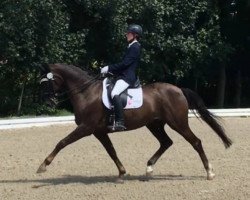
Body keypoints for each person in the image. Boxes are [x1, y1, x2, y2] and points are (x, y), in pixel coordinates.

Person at [101, 24, 142, 131]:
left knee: (115, 93)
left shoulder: (135, 47)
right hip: (123, 75)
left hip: (128, 77)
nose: (126, 35)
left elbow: (125, 64)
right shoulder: (131, 46)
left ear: (135, 35)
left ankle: (120, 121)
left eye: (128, 33)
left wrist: (109, 68)